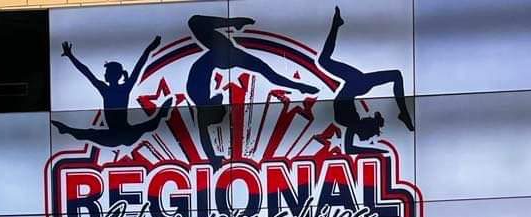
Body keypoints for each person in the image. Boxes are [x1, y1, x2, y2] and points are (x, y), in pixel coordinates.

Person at [186, 15, 320, 165]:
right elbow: (272, 77)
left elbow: (204, 136)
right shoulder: (202, 94)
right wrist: (301, 87)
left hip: (221, 56)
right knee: (266, 72)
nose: (222, 99)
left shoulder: (199, 96)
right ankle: (234, 24)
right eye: (224, 103)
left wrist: (213, 158)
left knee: (195, 22)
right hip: (223, 56)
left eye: (221, 104)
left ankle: (234, 23)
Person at [318, 7, 415, 155]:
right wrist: (378, 151)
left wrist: (378, 151)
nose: (368, 117)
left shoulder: (351, 126)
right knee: (395, 75)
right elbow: (350, 149)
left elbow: (349, 149)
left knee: (324, 61)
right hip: (357, 84)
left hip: (355, 84)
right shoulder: (352, 125)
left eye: (370, 120)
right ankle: (404, 113)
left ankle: (337, 24)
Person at [51, 37, 173, 148]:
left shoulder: (114, 88)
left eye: (107, 72)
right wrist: (70, 56)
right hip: (118, 135)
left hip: (123, 134)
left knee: (149, 124)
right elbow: (86, 72)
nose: (105, 74)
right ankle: (66, 130)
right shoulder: (119, 88)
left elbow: (138, 66)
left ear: (114, 75)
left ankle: (67, 130)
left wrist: (148, 50)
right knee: (89, 133)